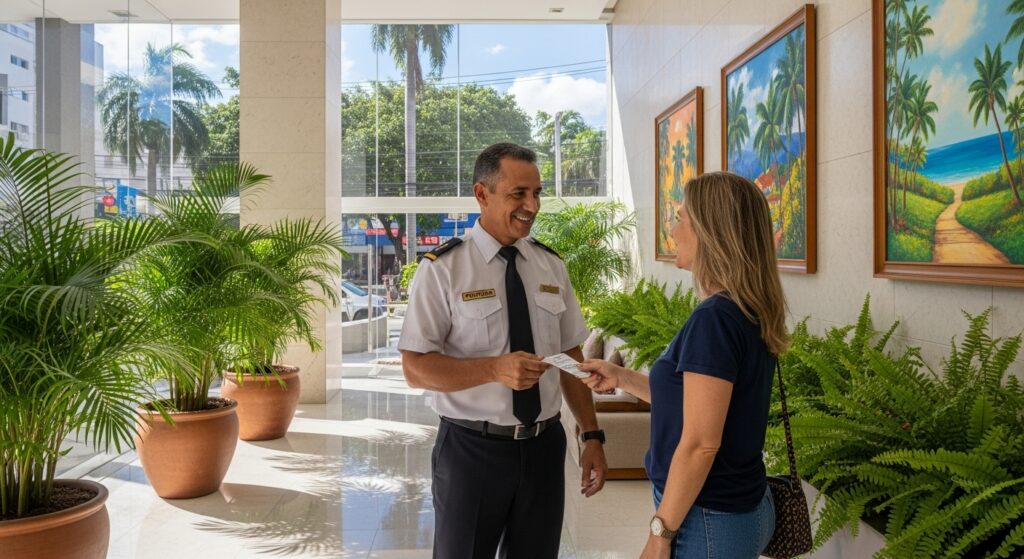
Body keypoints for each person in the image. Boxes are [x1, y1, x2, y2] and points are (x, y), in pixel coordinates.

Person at [398, 142, 608, 559]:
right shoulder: (443, 268)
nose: (532, 205)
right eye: (518, 194)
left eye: (537, 193)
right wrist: (494, 370)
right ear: (482, 194)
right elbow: (415, 368)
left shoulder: (551, 265)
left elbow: (572, 358)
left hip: (544, 448)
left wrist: (592, 434)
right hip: (472, 451)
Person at [578, 171, 787, 559]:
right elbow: (698, 404)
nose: (672, 230)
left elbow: (701, 444)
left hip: (707, 517)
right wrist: (622, 376)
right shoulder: (748, 310)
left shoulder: (716, 319)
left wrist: (660, 532)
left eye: (680, 218)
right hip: (741, 509)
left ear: (712, 232)